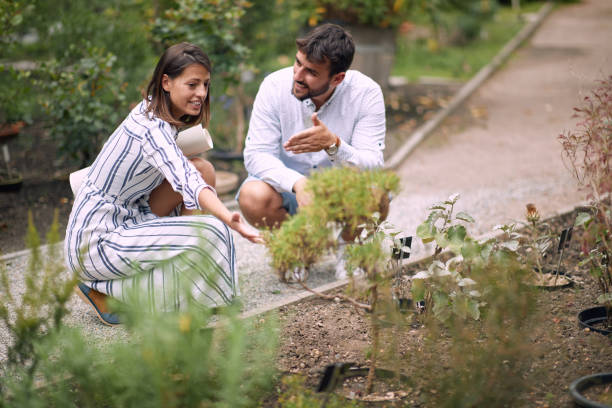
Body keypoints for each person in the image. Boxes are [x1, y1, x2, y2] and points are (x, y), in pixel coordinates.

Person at [65, 42, 261, 327]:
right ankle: (108, 291)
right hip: (97, 241)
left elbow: (192, 174)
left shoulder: (156, 112)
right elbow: (184, 177)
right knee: (212, 233)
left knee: (203, 170)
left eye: (205, 84)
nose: (202, 94)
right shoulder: (150, 128)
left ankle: (186, 281)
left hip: (128, 216)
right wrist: (229, 218)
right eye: (192, 84)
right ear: (166, 82)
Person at [237, 23, 387, 230]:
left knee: (375, 197)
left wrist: (334, 145)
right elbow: (257, 154)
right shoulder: (274, 86)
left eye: (311, 72)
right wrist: (297, 183)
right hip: (287, 192)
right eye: (298, 63)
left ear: (338, 78)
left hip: (340, 192)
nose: (298, 76)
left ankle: (346, 257)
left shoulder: (366, 93)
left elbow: (373, 166)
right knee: (253, 195)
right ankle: (302, 251)